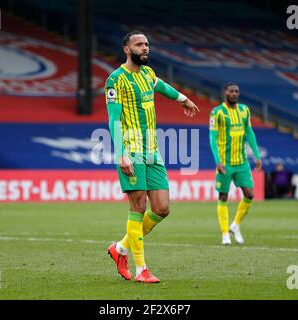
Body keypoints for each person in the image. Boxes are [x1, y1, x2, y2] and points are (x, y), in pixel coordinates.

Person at [105, 31, 200, 283]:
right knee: (138, 207)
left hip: (152, 150)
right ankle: (141, 270)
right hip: (131, 149)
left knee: (162, 208)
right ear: (126, 49)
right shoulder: (115, 80)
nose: (145, 48)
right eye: (139, 44)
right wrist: (121, 154)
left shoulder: (148, 74)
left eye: (147, 44)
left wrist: (184, 99)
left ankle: (120, 248)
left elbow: (163, 86)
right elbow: (113, 119)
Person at [209, 82, 262, 245]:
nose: (234, 93)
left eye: (237, 91)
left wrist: (257, 156)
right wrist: (218, 161)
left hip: (242, 162)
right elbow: (213, 138)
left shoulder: (244, 110)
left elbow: (250, 133)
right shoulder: (216, 113)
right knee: (223, 196)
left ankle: (235, 225)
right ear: (225, 92)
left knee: (250, 194)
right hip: (225, 163)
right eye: (231, 91)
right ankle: (225, 233)